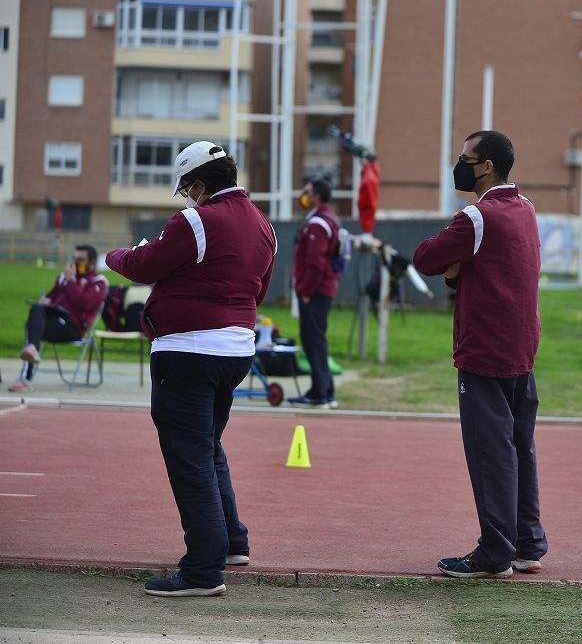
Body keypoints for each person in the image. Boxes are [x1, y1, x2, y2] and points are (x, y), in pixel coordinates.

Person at [104, 141, 277, 597]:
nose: (187, 197)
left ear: (200, 183)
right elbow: (256, 291)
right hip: (236, 348)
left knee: (189, 457)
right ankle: (230, 542)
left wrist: (116, 255)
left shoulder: (196, 220)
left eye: (187, 189)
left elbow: (145, 265)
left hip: (188, 350)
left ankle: (203, 570)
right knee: (207, 445)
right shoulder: (263, 224)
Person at [413, 130, 547, 579]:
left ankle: (494, 552)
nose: (460, 164)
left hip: (485, 348)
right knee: (520, 448)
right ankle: (527, 545)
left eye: (465, 158)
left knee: (491, 453)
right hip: (521, 346)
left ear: (485, 165)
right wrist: (462, 270)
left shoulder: (477, 216)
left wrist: (455, 268)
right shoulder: (526, 209)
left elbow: (426, 258)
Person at [9, 245, 108, 392]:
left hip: (72, 327)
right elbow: (51, 296)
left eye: (80, 260)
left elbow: (83, 303)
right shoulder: (63, 277)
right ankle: (30, 357)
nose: (76, 263)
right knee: (36, 311)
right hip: (53, 319)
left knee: (32, 329)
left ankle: (26, 374)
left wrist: (71, 282)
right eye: (74, 259)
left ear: (92, 262)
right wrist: (45, 300)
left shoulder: (98, 282)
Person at [289, 178, 341, 409]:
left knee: (313, 340)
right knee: (316, 340)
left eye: (308, 191)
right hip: (323, 289)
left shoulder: (318, 224)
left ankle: (320, 393)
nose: (304, 194)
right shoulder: (327, 218)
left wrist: (306, 291)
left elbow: (315, 263)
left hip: (315, 291)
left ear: (317, 195)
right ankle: (323, 390)